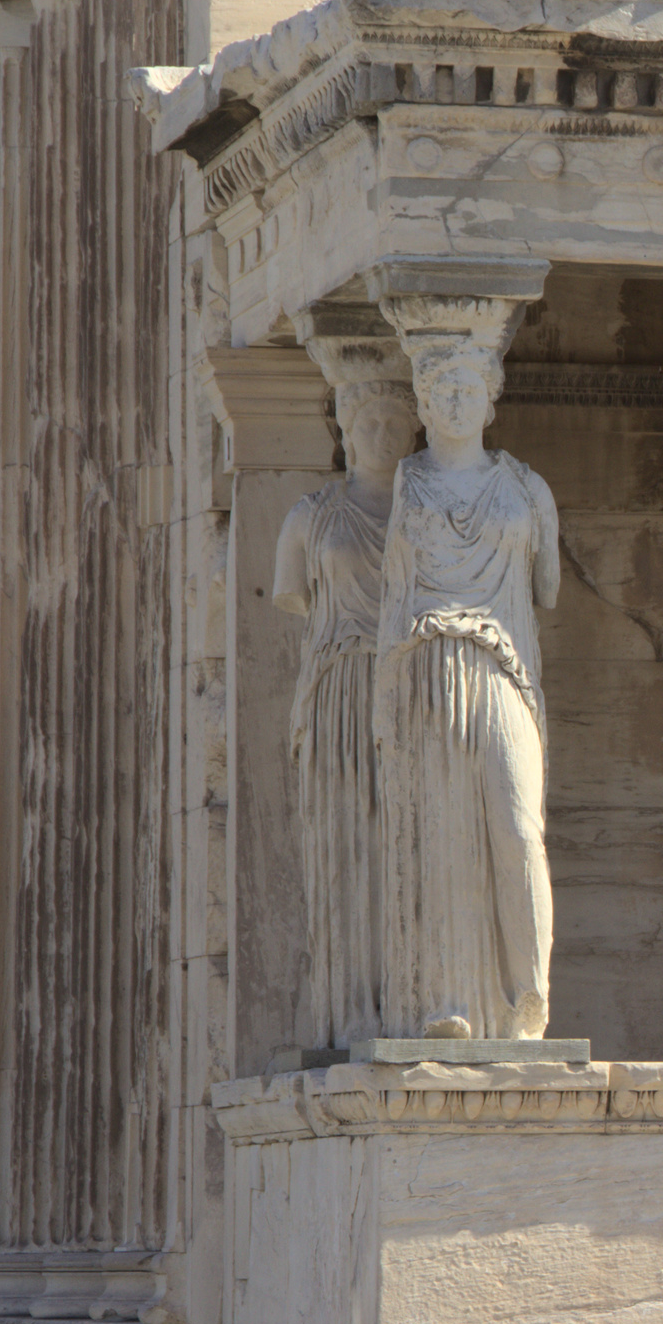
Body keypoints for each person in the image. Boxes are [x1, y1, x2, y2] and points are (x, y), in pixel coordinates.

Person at [374, 333, 560, 1041]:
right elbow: (394, 595)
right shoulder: (409, 482)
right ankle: (446, 999)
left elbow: (547, 589)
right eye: (441, 389)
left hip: (503, 665)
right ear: (422, 404)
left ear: (490, 400)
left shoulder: (527, 487)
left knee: (517, 826)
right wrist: (385, 697)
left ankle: (530, 996)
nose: (455, 400)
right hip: (427, 665)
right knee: (441, 830)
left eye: (468, 387)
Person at [271, 366, 416, 1050]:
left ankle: (414, 998)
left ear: (413, 433)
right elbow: (293, 594)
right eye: (368, 423)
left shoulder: (429, 512)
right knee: (348, 842)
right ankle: (350, 1006)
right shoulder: (310, 517)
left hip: (411, 684)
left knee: (412, 838)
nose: (382, 434)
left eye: (395, 423)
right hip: (339, 686)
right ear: (346, 434)